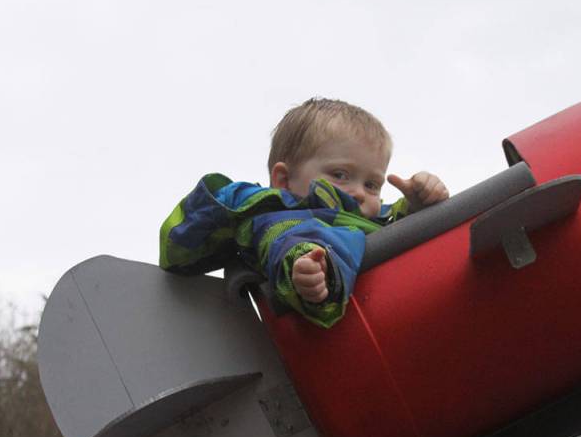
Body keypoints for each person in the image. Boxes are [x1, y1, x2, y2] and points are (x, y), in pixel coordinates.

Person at [159, 98, 448, 328]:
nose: (360, 192)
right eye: (340, 174)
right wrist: (304, 268)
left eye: (372, 184)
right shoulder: (279, 221)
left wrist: (417, 206)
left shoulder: (371, 220)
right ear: (284, 180)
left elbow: (395, 228)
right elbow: (286, 243)